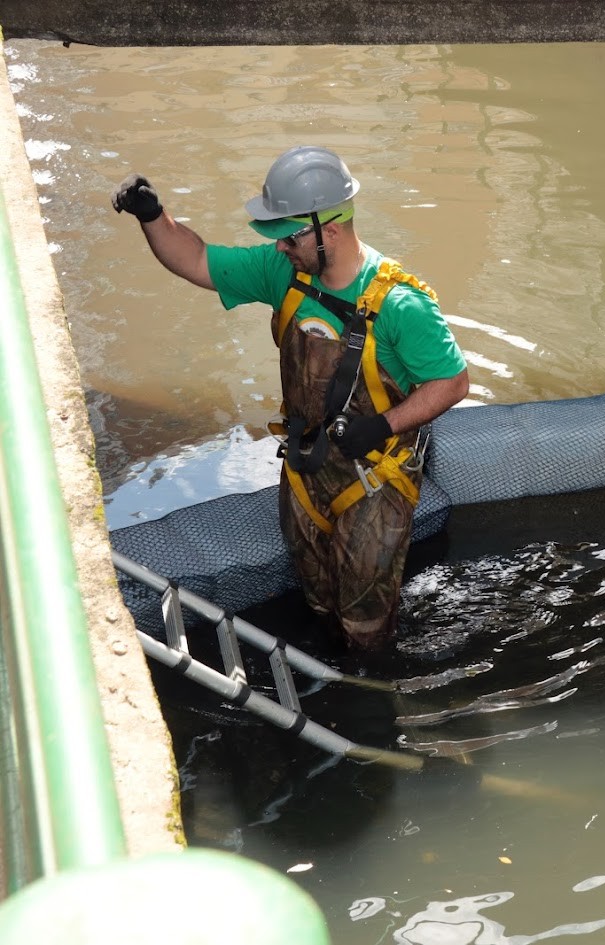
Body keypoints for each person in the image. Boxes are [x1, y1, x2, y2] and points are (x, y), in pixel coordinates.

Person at [111, 145, 470, 650]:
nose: (279, 248)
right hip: (305, 468)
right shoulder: (287, 274)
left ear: (330, 230)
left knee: (365, 620)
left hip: (376, 478)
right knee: (318, 598)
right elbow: (195, 260)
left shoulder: (401, 305)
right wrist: (152, 215)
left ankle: (371, 703)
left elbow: (452, 382)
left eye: (287, 237)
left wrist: (381, 426)